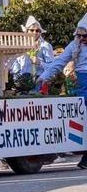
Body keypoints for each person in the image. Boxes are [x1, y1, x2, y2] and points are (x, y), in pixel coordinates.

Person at [37, 13, 87, 170]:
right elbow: (59, 62)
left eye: (84, 35)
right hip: (82, 85)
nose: (82, 38)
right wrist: (44, 76)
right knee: (81, 118)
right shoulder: (74, 46)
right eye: (79, 35)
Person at [7, 15, 53, 92]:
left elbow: (52, 66)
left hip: (38, 80)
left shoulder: (46, 46)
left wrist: (40, 62)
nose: (35, 32)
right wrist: (17, 79)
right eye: (32, 30)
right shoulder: (20, 46)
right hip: (22, 80)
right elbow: (14, 63)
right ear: (27, 31)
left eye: (38, 30)